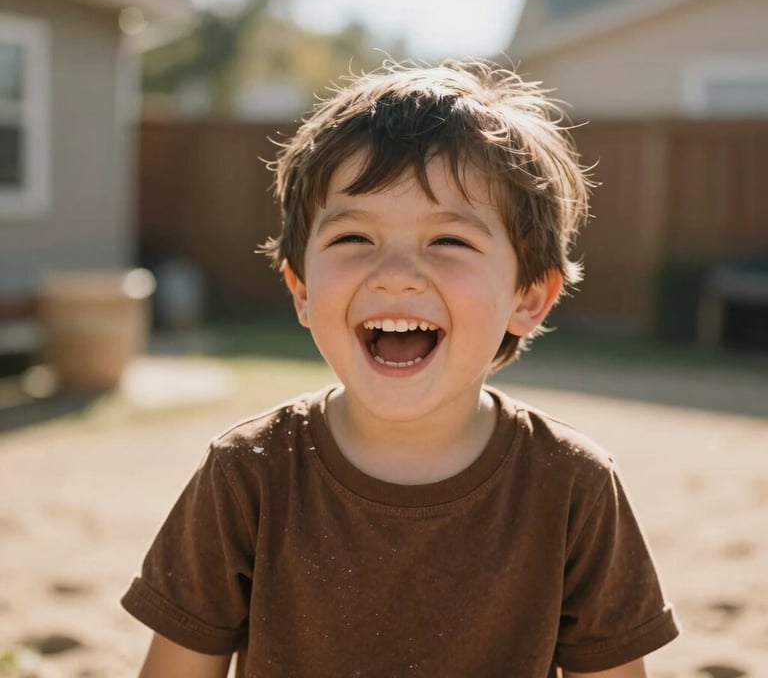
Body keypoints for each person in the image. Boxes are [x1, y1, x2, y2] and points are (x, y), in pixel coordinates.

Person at [122, 59, 680, 677]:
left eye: (449, 241)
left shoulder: (573, 486)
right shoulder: (247, 474)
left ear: (529, 298)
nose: (393, 273)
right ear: (301, 288)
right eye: (353, 238)